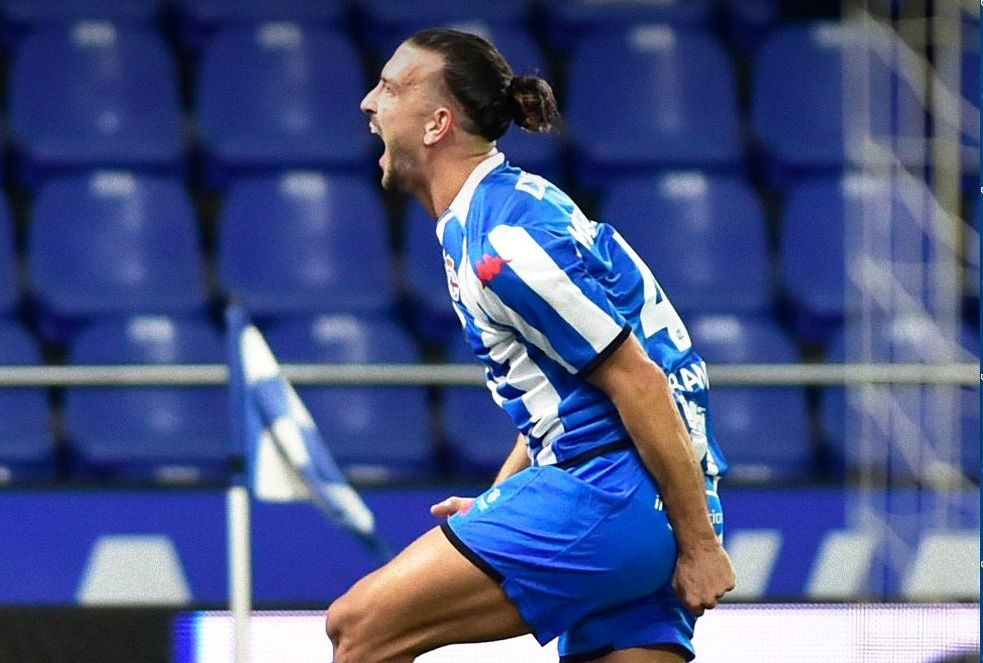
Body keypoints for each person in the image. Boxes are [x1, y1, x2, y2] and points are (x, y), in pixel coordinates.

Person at [326, 28, 735, 663]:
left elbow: (640, 382)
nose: (367, 103)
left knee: (357, 629)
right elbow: (574, 386)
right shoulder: (505, 210)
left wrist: (699, 543)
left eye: (390, 87)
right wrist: (502, 497)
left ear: (437, 124)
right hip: (646, 493)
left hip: (615, 495)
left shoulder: (504, 243)